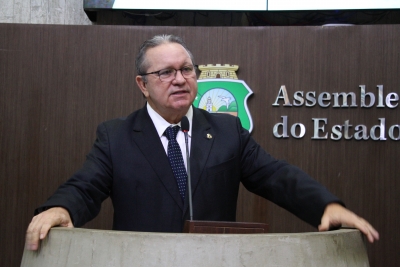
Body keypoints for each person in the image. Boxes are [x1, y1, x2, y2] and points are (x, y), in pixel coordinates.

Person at [25, 34, 379, 251]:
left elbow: (276, 176)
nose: (179, 80)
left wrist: (324, 206)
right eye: (165, 72)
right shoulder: (116, 136)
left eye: (187, 69)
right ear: (142, 84)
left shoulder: (226, 132)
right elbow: (86, 185)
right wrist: (62, 209)